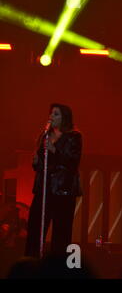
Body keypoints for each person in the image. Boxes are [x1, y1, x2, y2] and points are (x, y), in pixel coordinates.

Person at [25, 103, 82, 257]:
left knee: (61, 232)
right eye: (51, 113)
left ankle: (57, 267)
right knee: (35, 226)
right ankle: (32, 262)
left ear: (64, 118)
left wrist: (54, 150)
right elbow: (41, 166)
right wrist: (37, 162)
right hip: (44, 189)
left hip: (62, 191)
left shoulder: (74, 137)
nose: (51, 117)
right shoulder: (45, 136)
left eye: (56, 114)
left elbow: (72, 162)